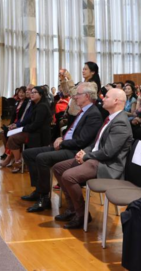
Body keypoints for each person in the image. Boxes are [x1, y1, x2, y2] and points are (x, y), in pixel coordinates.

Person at [51, 88, 133, 229]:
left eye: (106, 97)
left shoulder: (121, 123)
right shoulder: (110, 118)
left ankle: (82, 215)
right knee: (58, 168)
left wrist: (86, 156)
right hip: (96, 159)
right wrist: (84, 152)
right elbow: (96, 144)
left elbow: (108, 152)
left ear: (116, 101)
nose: (102, 98)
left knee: (68, 176)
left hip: (107, 165)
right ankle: (72, 208)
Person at [22, 82, 103, 212]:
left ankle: (44, 198)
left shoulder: (93, 114)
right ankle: (39, 190)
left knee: (42, 158)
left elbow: (82, 141)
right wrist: (61, 138)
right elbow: (72, 132)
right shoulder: (82, 111)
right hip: (66, 145)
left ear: (87, 96)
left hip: (75, 151)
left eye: (78, 94)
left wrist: (63, 143)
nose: (75, 97)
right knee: (28, 153)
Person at [5, 85, 52, 173]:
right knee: (9, 133)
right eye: (31, 92)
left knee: (13, 138)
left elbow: (36, 125)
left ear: (41, 95)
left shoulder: (42, 106)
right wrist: (18, 126)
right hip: (33, 131)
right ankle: (16, 160)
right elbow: (27, 119)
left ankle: (18, 162)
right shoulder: (36, 105)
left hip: (39, 134)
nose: (32, 94)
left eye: (34, 92)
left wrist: (23, 129)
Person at [0, 86, 29, 166]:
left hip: (20, 124)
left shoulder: (27, 103)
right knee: (3, 133)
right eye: (19, 92)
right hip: (15, 123)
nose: (21, 94)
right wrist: (10, 124)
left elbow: (23, 118)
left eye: (23, 92)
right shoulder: (17, 102)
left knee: (11, 135)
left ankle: (10, 157)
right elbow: (13, 116)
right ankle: (7, 153)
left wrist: (15, 125)